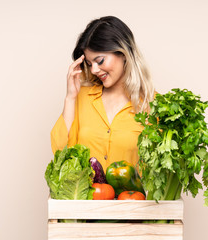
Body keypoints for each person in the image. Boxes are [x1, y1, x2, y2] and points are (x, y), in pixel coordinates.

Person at [50, 16, 155, 171]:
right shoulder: (82, 98)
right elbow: (60, 153)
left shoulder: (152, 104)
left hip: (132, 195)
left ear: (123, 54)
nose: (94, 70)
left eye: (100, 61)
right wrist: (70, 97)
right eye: (89, 63)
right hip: (85, 195)